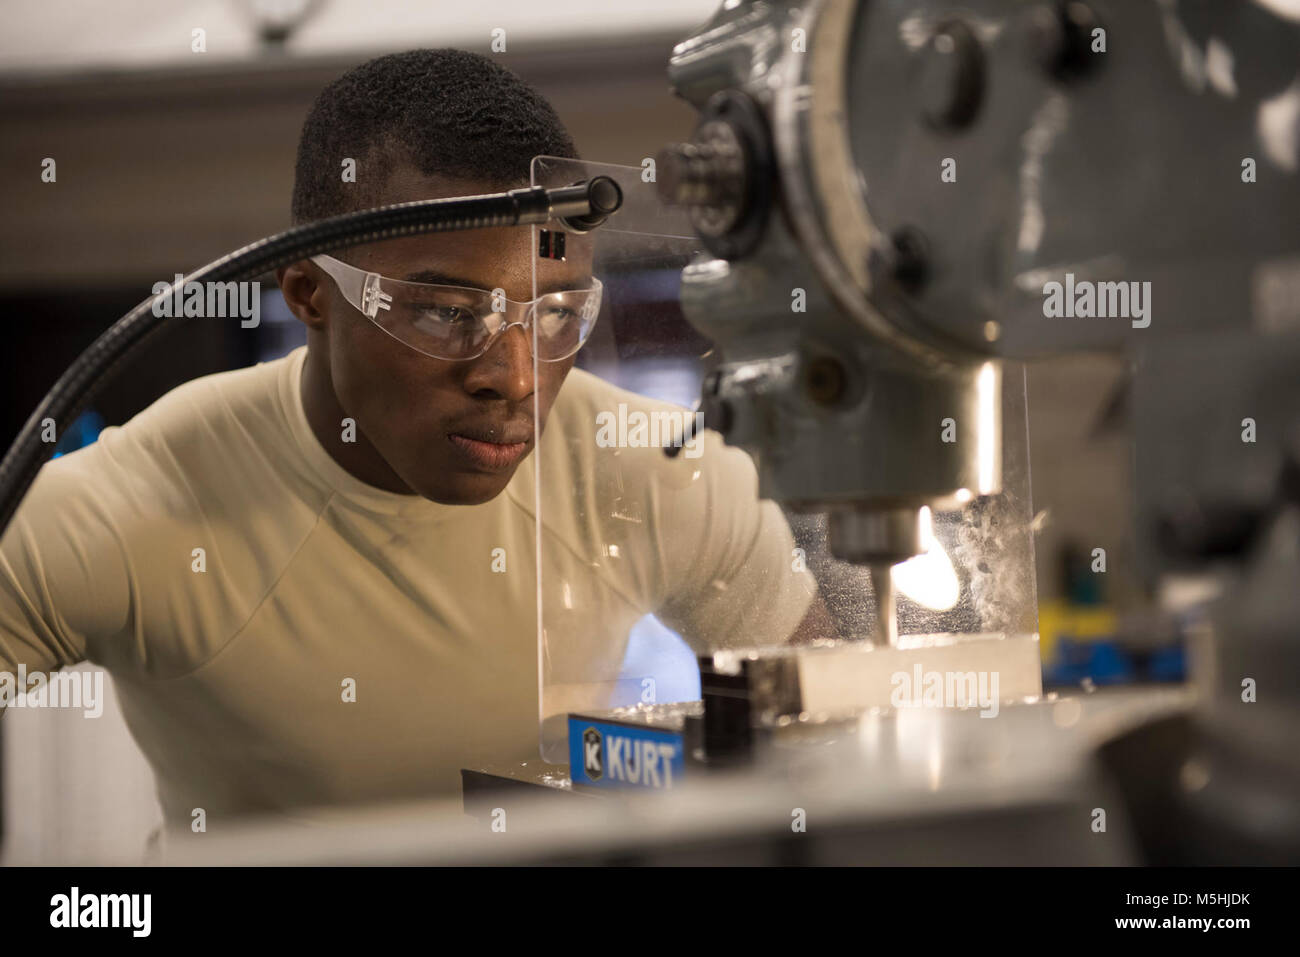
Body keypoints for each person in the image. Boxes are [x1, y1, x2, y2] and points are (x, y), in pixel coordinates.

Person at [0, 48, 831, 828]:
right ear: (309, 295)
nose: (511, 376)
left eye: (556, 313)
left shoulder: (658, 470)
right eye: (445, 312)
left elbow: (853, 739)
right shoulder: (139, 502)